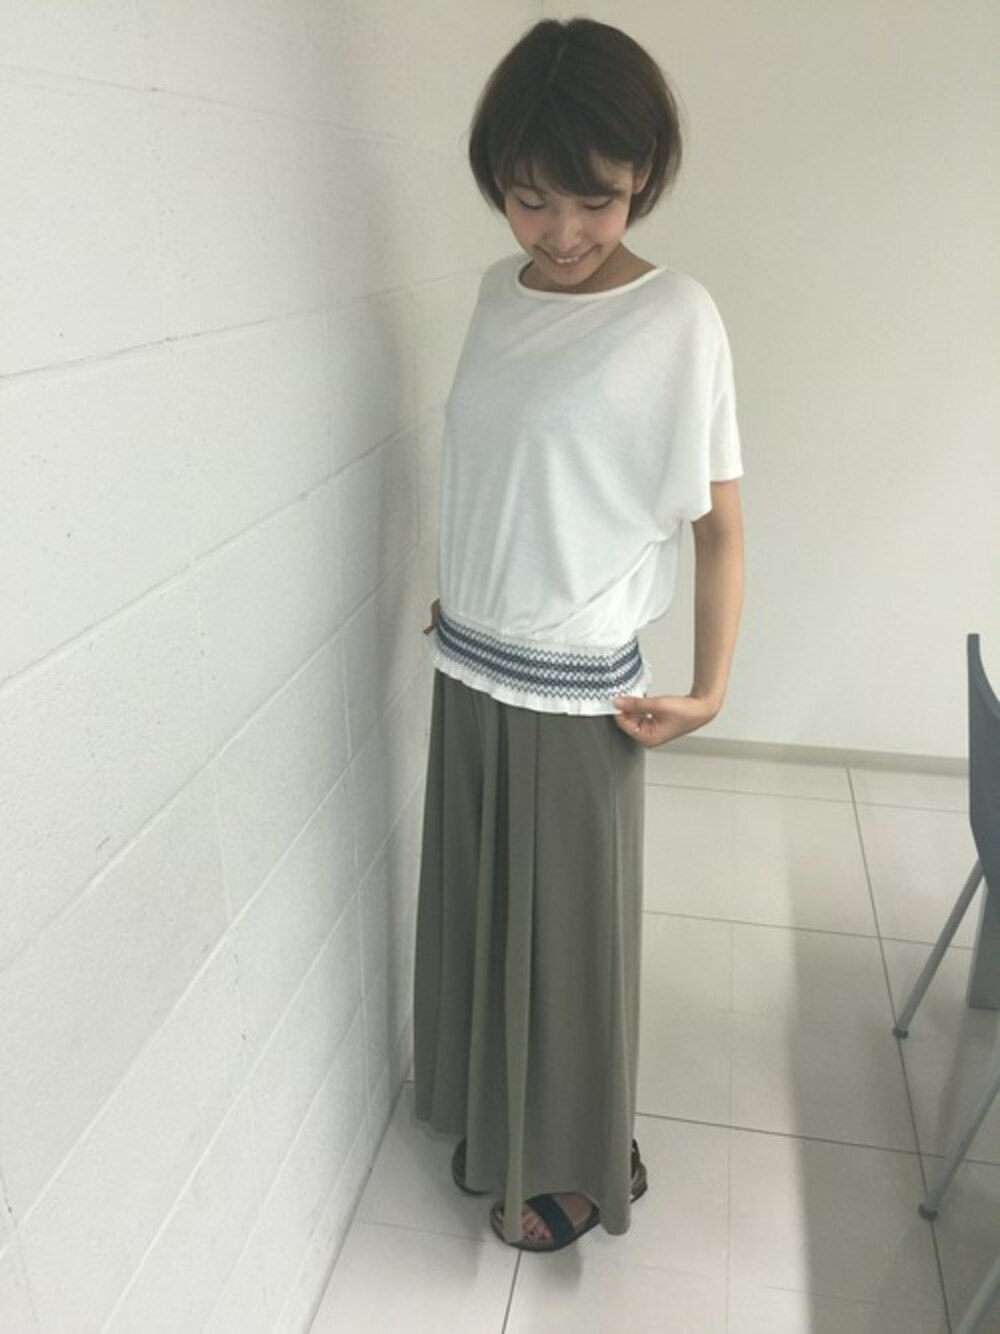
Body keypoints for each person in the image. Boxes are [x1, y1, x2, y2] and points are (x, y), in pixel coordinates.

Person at [412, 17, 745, 1254]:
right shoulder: (494, 295)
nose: (558, 233)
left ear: (642, 175)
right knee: (482, 913)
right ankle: (499, 1118)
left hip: (577, 687)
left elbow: (719, 526)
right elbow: (505, 469)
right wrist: (464, 588)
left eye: (593, 200)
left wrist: (710, 686)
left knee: (566, 946)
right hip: (470, 660)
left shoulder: (677, 317)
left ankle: (575, 1153)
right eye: (528, 198)